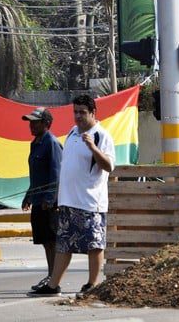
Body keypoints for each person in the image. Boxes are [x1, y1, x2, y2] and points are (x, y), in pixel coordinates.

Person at [29, 95, 116, 297]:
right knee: (64, 244)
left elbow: (109, 166)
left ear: (93, 113)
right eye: (75, 112)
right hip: (68, 201)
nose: (77, 116)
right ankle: (53, 285)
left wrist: (93, 148)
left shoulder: (100, 136)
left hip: (90, 202)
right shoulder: (72, 133)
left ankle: (92, 284)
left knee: (94, 244)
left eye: (82, 112)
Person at [21, 107, 63, 292]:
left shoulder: (52, 143)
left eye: (35, 122)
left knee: (52, 241)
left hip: (49, 203)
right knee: (45, 241)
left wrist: (50, 198)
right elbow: (35, 175)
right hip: (38, 200)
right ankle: (50, 275)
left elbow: (56, 174)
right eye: (30, 121)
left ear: (46, 124)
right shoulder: (35, 143)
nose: (31, 125)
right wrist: (29, 195)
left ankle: (54, 279)